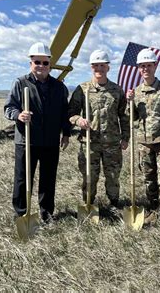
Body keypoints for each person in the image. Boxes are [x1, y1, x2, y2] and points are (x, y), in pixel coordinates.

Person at [4, 42, 70, 224]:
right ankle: (21, 214)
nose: (41, 66)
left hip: (50, 141)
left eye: (45, 62)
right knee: (22, 179)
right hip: (26, 140)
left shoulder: (59, 87)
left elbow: (65, 112)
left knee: (48, 179)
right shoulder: (20, 83)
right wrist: (19, 114)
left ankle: (46, 212)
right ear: (30, 63)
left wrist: (66, 133)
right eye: (37, 62)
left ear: (50, 64)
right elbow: (9, 107)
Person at [126, 48, 160, 231]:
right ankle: (153, 209)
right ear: (139, 68)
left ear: (155, 66)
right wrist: (130, 102)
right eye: (142, 66)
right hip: (144, 142)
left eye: (149, 65)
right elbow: (131, 117)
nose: (146, 69)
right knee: (148, 178)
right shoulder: (136, 92)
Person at [68, 50, 129, 210]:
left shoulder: (117, 90)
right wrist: (78, 120)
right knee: (89, 177)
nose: (99, 69)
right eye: (96, 65)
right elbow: (71, 113)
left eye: (102, 65)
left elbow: (124, 115)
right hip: (90, 143)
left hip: (112, 144)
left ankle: (114, 204)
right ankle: (88, 204)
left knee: (113, 176)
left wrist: (125, 138)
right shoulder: (82, 89)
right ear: (91, 67)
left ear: (108, 67)